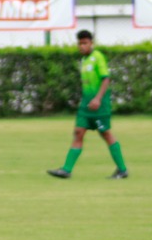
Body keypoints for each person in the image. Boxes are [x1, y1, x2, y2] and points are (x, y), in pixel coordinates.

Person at [47, 30, 128, 180]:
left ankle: (122, 170)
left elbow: (106, 79)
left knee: (106, 134)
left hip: (99, 106)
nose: (82, 46)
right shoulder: (84, 60)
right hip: (85, 106)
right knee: (78, 132)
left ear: (91, 43)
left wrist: (97, 98)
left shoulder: (98, 58)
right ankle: (66, 170)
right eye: (80, 43)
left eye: (85, 43)